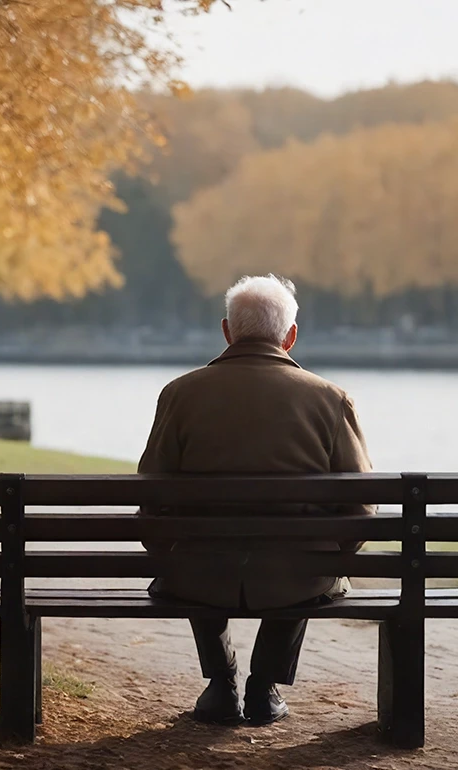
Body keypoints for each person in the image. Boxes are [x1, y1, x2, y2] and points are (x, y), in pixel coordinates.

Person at [138, 274, 374, 727]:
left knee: (191, 552)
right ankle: (263, 687)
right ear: (290, 336)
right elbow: (362, 507)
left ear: (227, 332)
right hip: (296, 578)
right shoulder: (330, 399)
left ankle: (222, 685)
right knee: (308, 560)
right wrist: (331, 556)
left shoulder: (180, 393)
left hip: (197, 575)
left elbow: (151, 491)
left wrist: (165, 551)